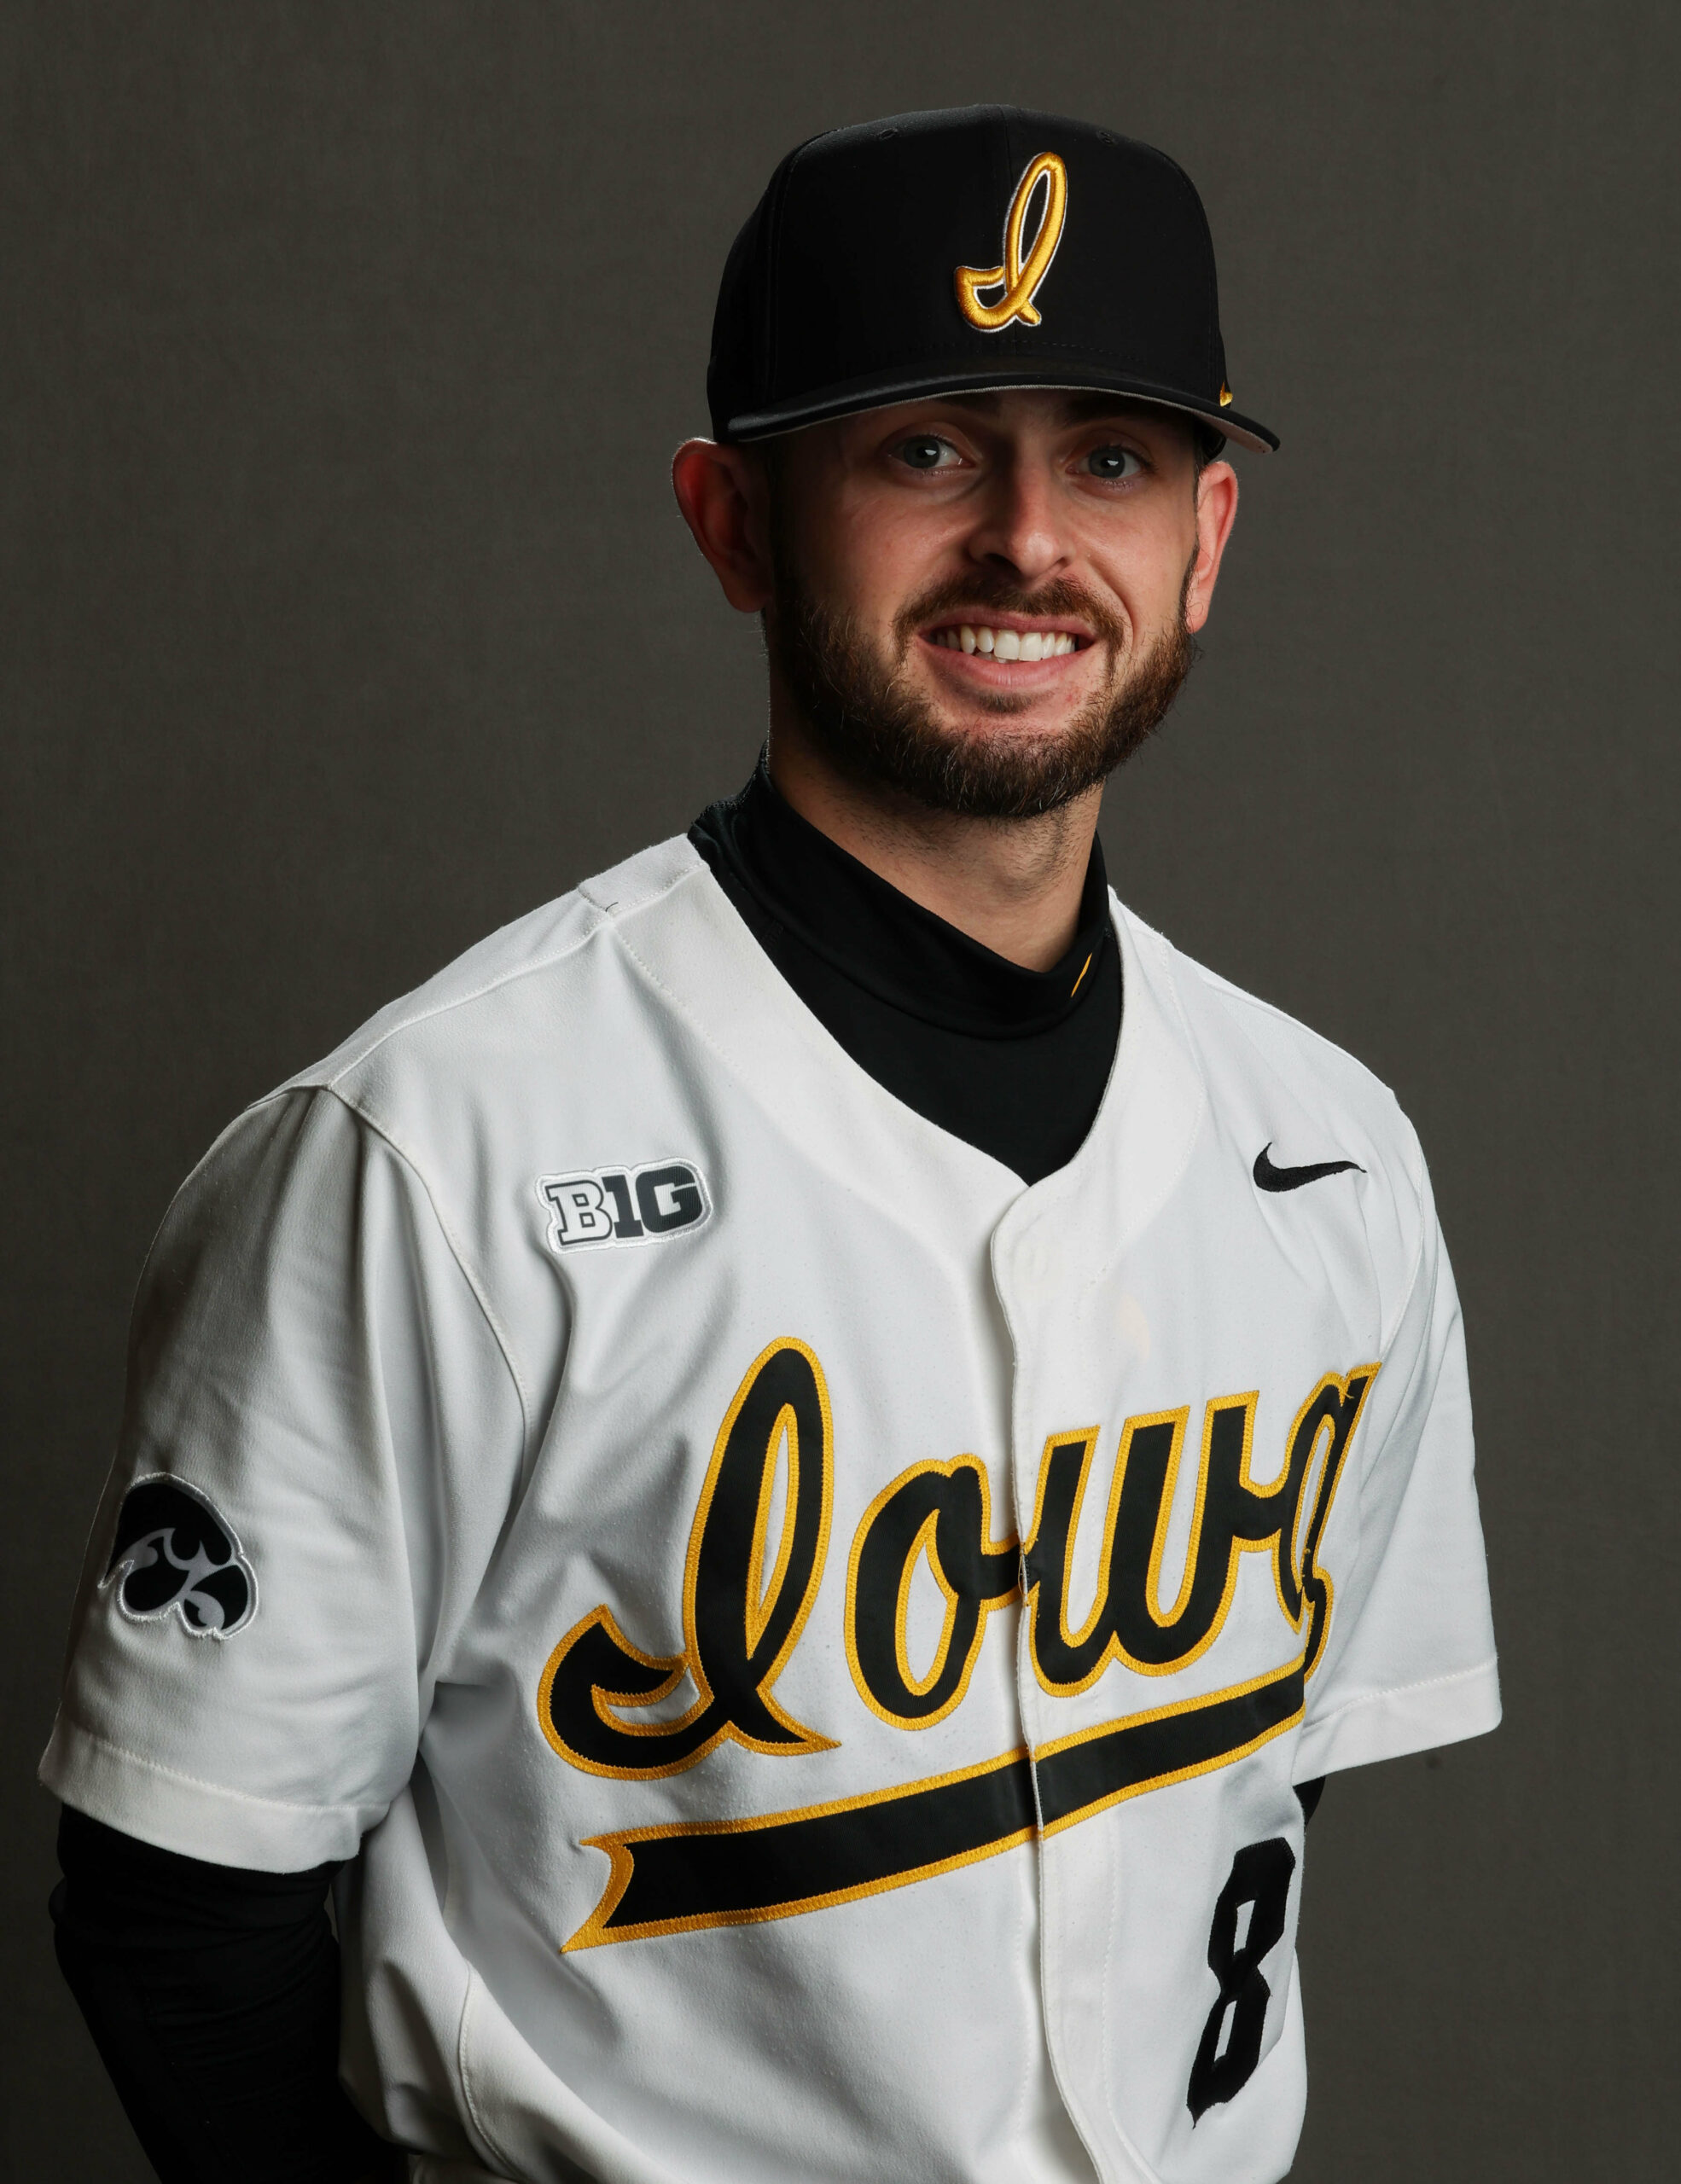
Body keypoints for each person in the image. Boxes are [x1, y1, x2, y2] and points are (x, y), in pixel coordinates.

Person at [43, 105, 1499, 2184]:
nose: (1025, 538)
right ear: (732, 521)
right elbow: (180, 1902)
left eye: (1107, 454)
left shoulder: (1332, 1148)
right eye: (923, 447)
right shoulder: (428, 1147)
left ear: (1203, 544)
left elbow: (1236, 1789)